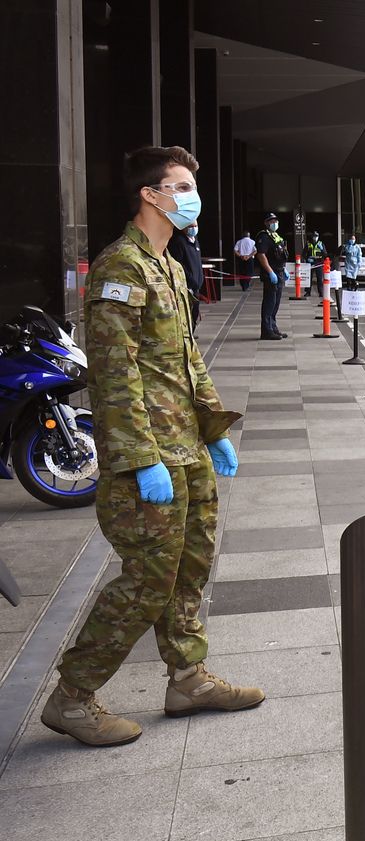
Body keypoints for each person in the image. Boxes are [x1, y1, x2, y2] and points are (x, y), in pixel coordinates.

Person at [40, 145, 264, 747]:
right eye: (183, 185)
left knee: (190, 566)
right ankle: (73, 695)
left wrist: (213, 430)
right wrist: (141, 460)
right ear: (151, 194)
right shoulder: (122, 268)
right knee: (148, 580)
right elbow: (115, 376)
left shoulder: (167, 264)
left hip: (186, 445)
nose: (194, 196)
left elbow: (186, 358)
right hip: (150, 457)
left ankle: (187, 678)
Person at [255, 212, 289, 340]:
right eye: (271, 221)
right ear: (266, 223)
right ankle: (266, 331)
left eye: (275, 221)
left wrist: (284, 269)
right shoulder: (264, 237)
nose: (274, 223)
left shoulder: (275, 236)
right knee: (269, 302)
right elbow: (261, 254)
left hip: (279, 271)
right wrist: (270, 271)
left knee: (276, 302)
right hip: (271, 274)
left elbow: (280, 255)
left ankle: (273, 327)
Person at [168, 222, 203, 327]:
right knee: (187, 312)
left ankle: (192, 331)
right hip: (187, 285)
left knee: (195, 311)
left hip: (196, 285)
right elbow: (179, 264)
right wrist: (191, 279)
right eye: (191, 226)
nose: (193, 229)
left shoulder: (195, 241)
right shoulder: (179, 242)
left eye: (195, 226)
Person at [339, 234, 362, 320]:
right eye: (351, 239)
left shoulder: (357, 248)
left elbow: (359, 256)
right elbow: (344, 252)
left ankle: (354, 286)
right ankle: (349, 287)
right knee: (348, 276)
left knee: (353, 277)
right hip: (348, 263)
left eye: (353, 239)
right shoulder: (347, 246)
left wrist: (359, 263)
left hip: (355, 264)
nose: (352, 240)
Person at [303, 230, 328, 298]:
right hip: (310, 263)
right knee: (309, 278)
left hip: (318, 263)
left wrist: (322, 249)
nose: (315, 237)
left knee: (320, 278)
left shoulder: (321, 244)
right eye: (314, 236)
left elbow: (325, 255)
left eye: (316, 236)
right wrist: (307, 258)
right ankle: (308, 292)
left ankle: (321, 292)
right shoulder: (308, 244)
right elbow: (304, 254)